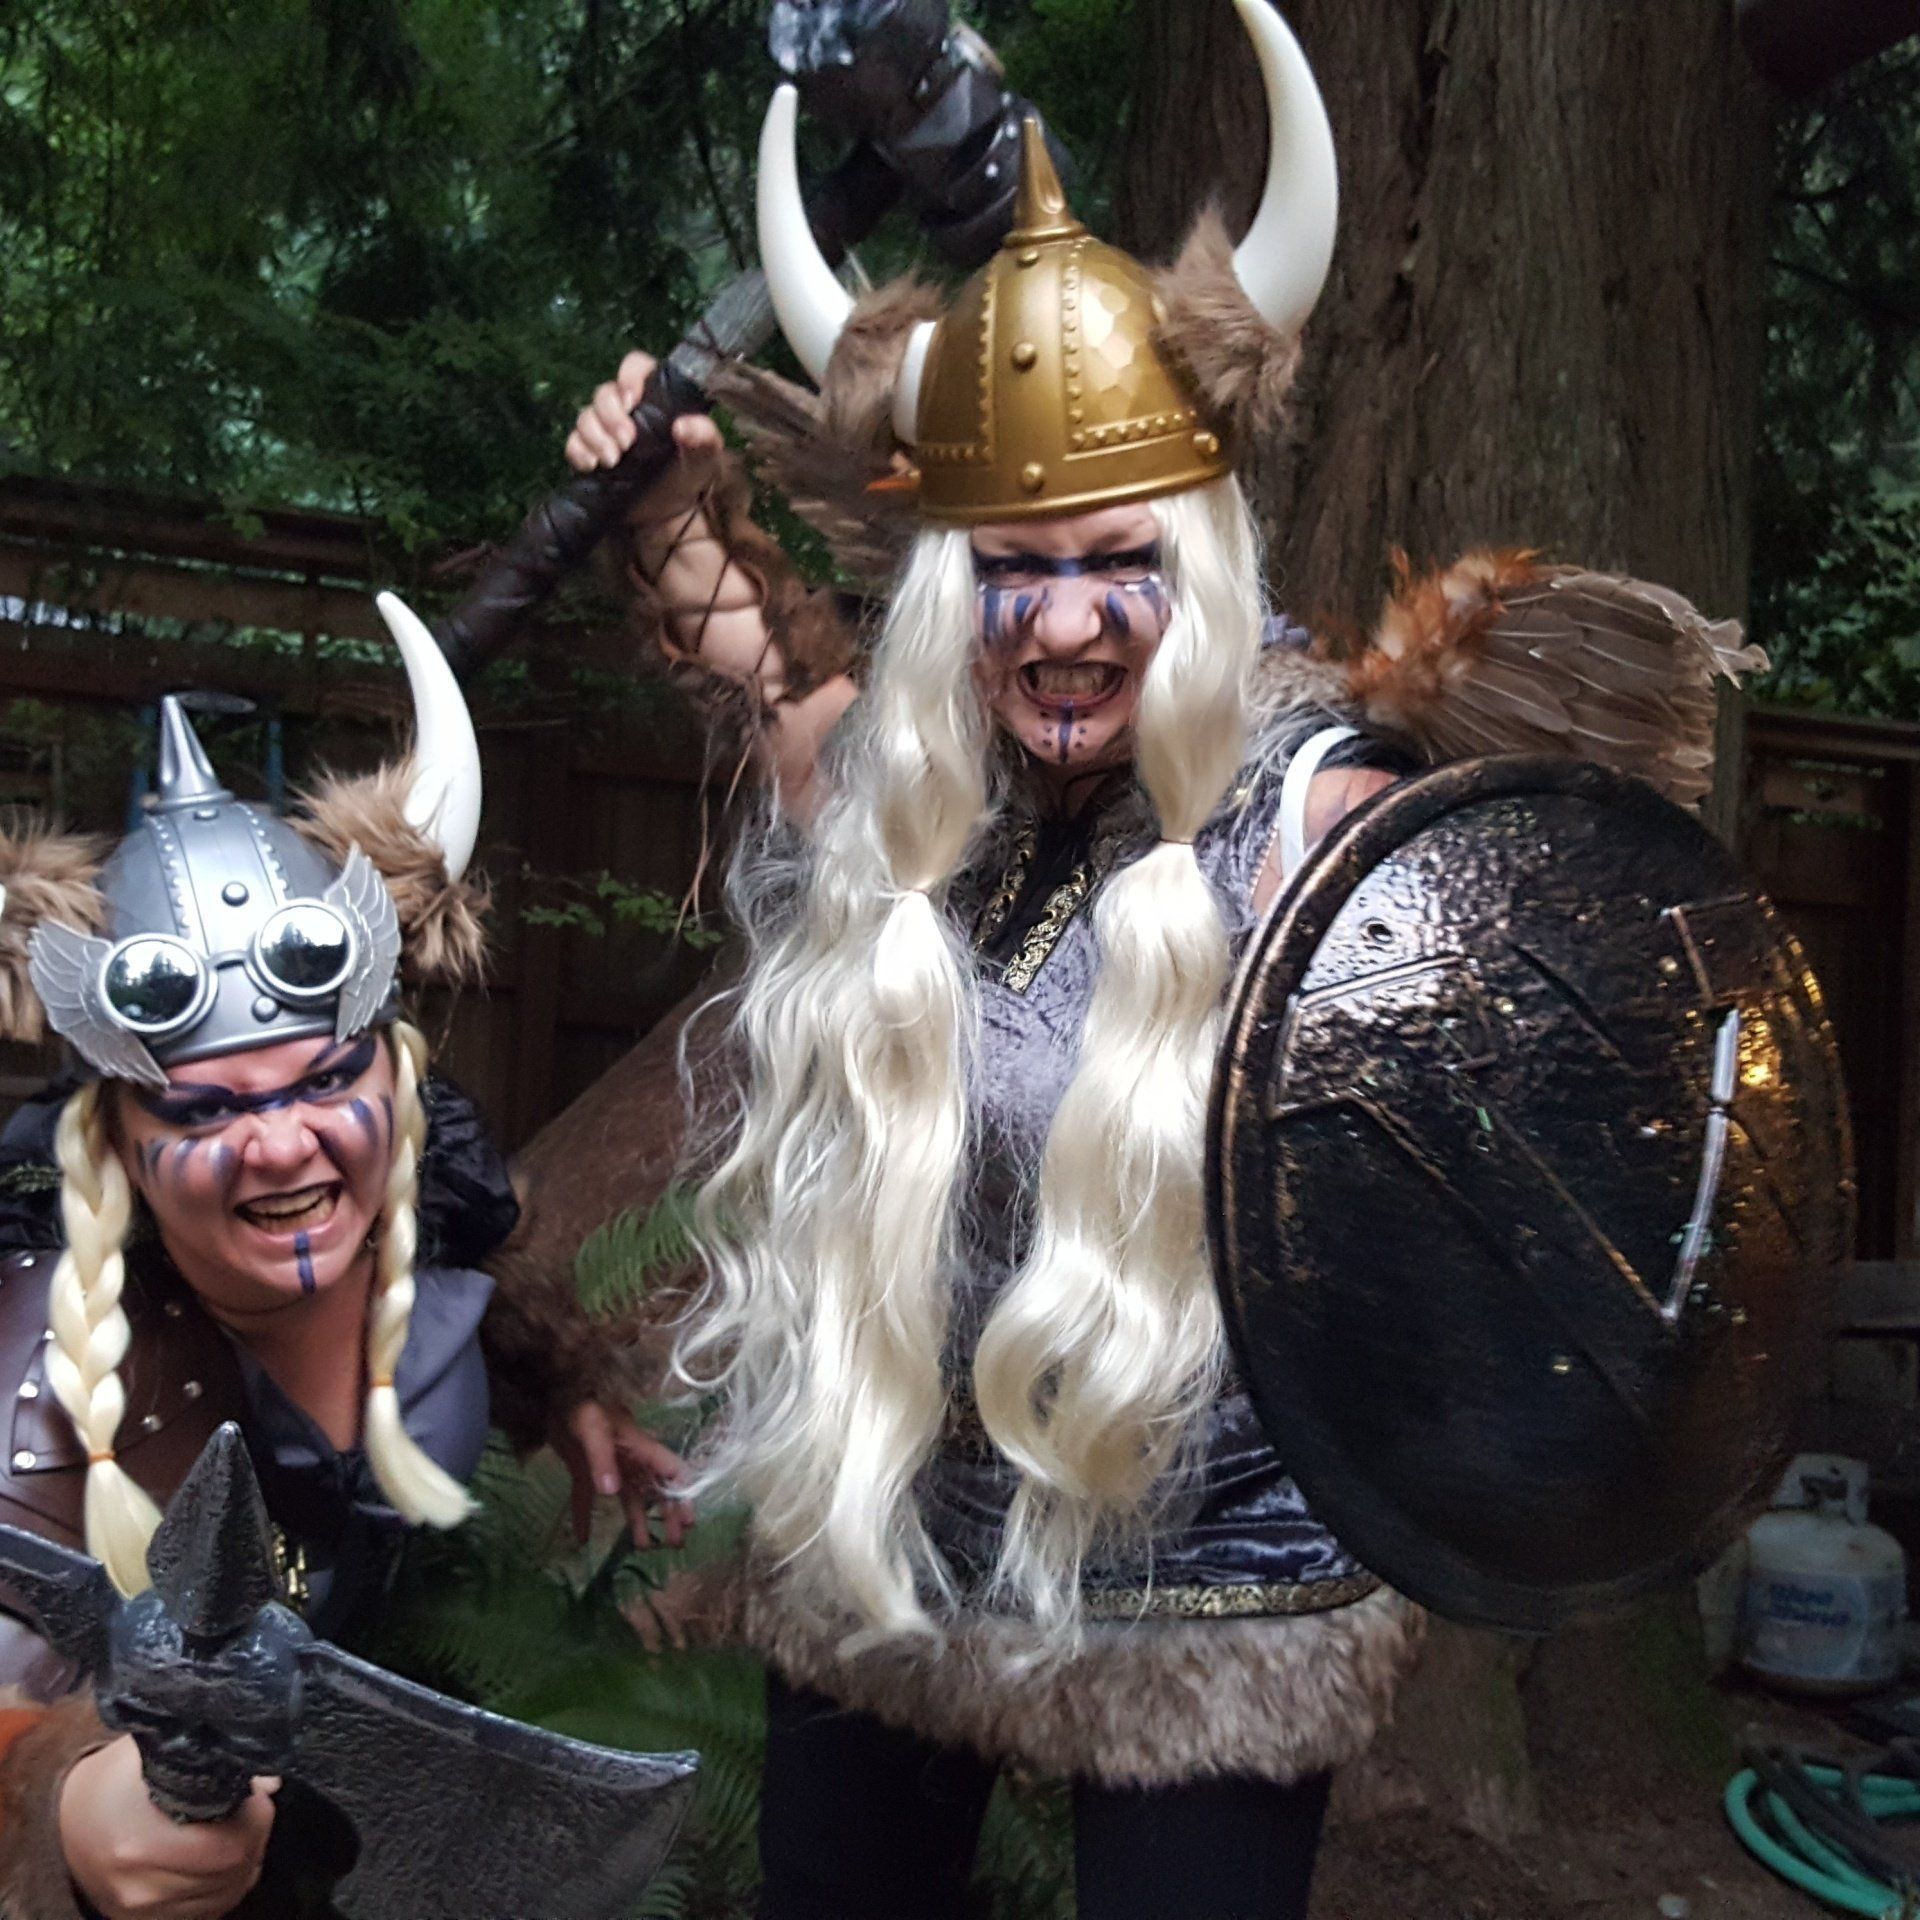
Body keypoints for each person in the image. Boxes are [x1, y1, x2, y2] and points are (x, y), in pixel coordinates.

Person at [563, 5, 1757, 1914]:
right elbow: (782, 690)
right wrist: (664, 509)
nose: (1059, 624)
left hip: (1212, 1589)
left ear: (1197, 556)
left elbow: (1547, 1138)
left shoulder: (1321, 808)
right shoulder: (913, 781)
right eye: (1009, 572)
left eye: (1111, 558)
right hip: (896, 1542)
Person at [0, 598, 686, 1920]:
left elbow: (474, 1301)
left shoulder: (410, 1215)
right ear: (122, 1144)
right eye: (203, 1111)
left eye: (322, 1081)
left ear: (394, 1068)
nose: (281, 1148)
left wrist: (571, 1393)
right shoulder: (46, 1351)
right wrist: (69, 1815)